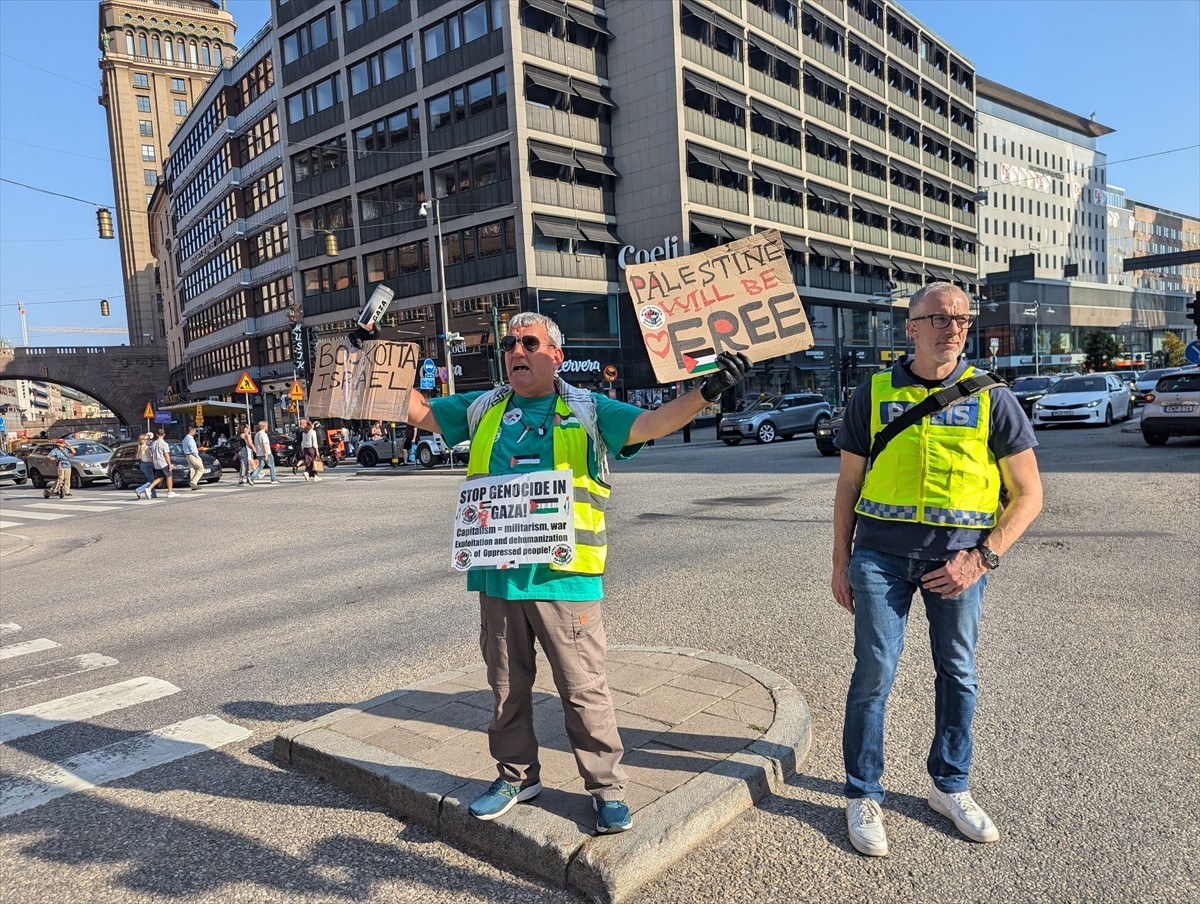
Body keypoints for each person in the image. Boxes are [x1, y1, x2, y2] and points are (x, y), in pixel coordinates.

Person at [362, 311, 750, 835]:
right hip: (498, 578)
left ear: (555, 356)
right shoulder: (483, 407)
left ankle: (606, 789)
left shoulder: (588, 408)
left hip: (565, 579)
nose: (517, 351)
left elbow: (652, 424)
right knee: (504, 687)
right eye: (510, 344)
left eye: (529, 343)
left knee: (584, 690)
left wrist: (708, 391)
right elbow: (418, 412)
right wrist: (370, 355)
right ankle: (517, 777)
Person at [832, 282, 1043, 857]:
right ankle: (862, 792)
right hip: (878, 557)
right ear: (911, 327)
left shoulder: (993, 397)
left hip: (957, 561)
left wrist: (982, 558)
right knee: (874, 671)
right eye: (939, 318)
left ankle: (949, 785)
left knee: (959, 672)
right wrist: (841, 562)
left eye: (961, 318)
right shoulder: (872, 392)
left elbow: (1029, 495)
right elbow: (848, 485)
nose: (953, 327)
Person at [148, 428, 177, 498]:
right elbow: (166, 455)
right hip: (163, 462)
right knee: (169, 476)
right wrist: (170, 464)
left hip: (156, 463)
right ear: (164, 435)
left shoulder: (153, 444)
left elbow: (151, 454)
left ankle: (149, 488)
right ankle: (170, 492)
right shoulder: (164, 444)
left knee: (160, 477)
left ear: (156, 435)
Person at [181, 425, 205, 491]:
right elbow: (192, 448)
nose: (195, 432)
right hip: (192, 455)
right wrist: (197, 456)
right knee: (201, 469)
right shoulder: (190, 438)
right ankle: (193, 482)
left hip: (187, 455)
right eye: (194, 431)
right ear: (191, 431)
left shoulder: (185, 439)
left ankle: (193, 486)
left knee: (193, 470)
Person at [134, 433, 157, 499]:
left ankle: (153, 494)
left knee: (151, 480)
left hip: (143, 464)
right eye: (147, 439)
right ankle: (139, 489)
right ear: (143, 440)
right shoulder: (146, 447)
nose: (148, 440)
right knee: (151, 481)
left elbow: (138, 457)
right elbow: (149, 457)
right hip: (147, 464)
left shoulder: (140, 447)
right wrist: (154, 462)